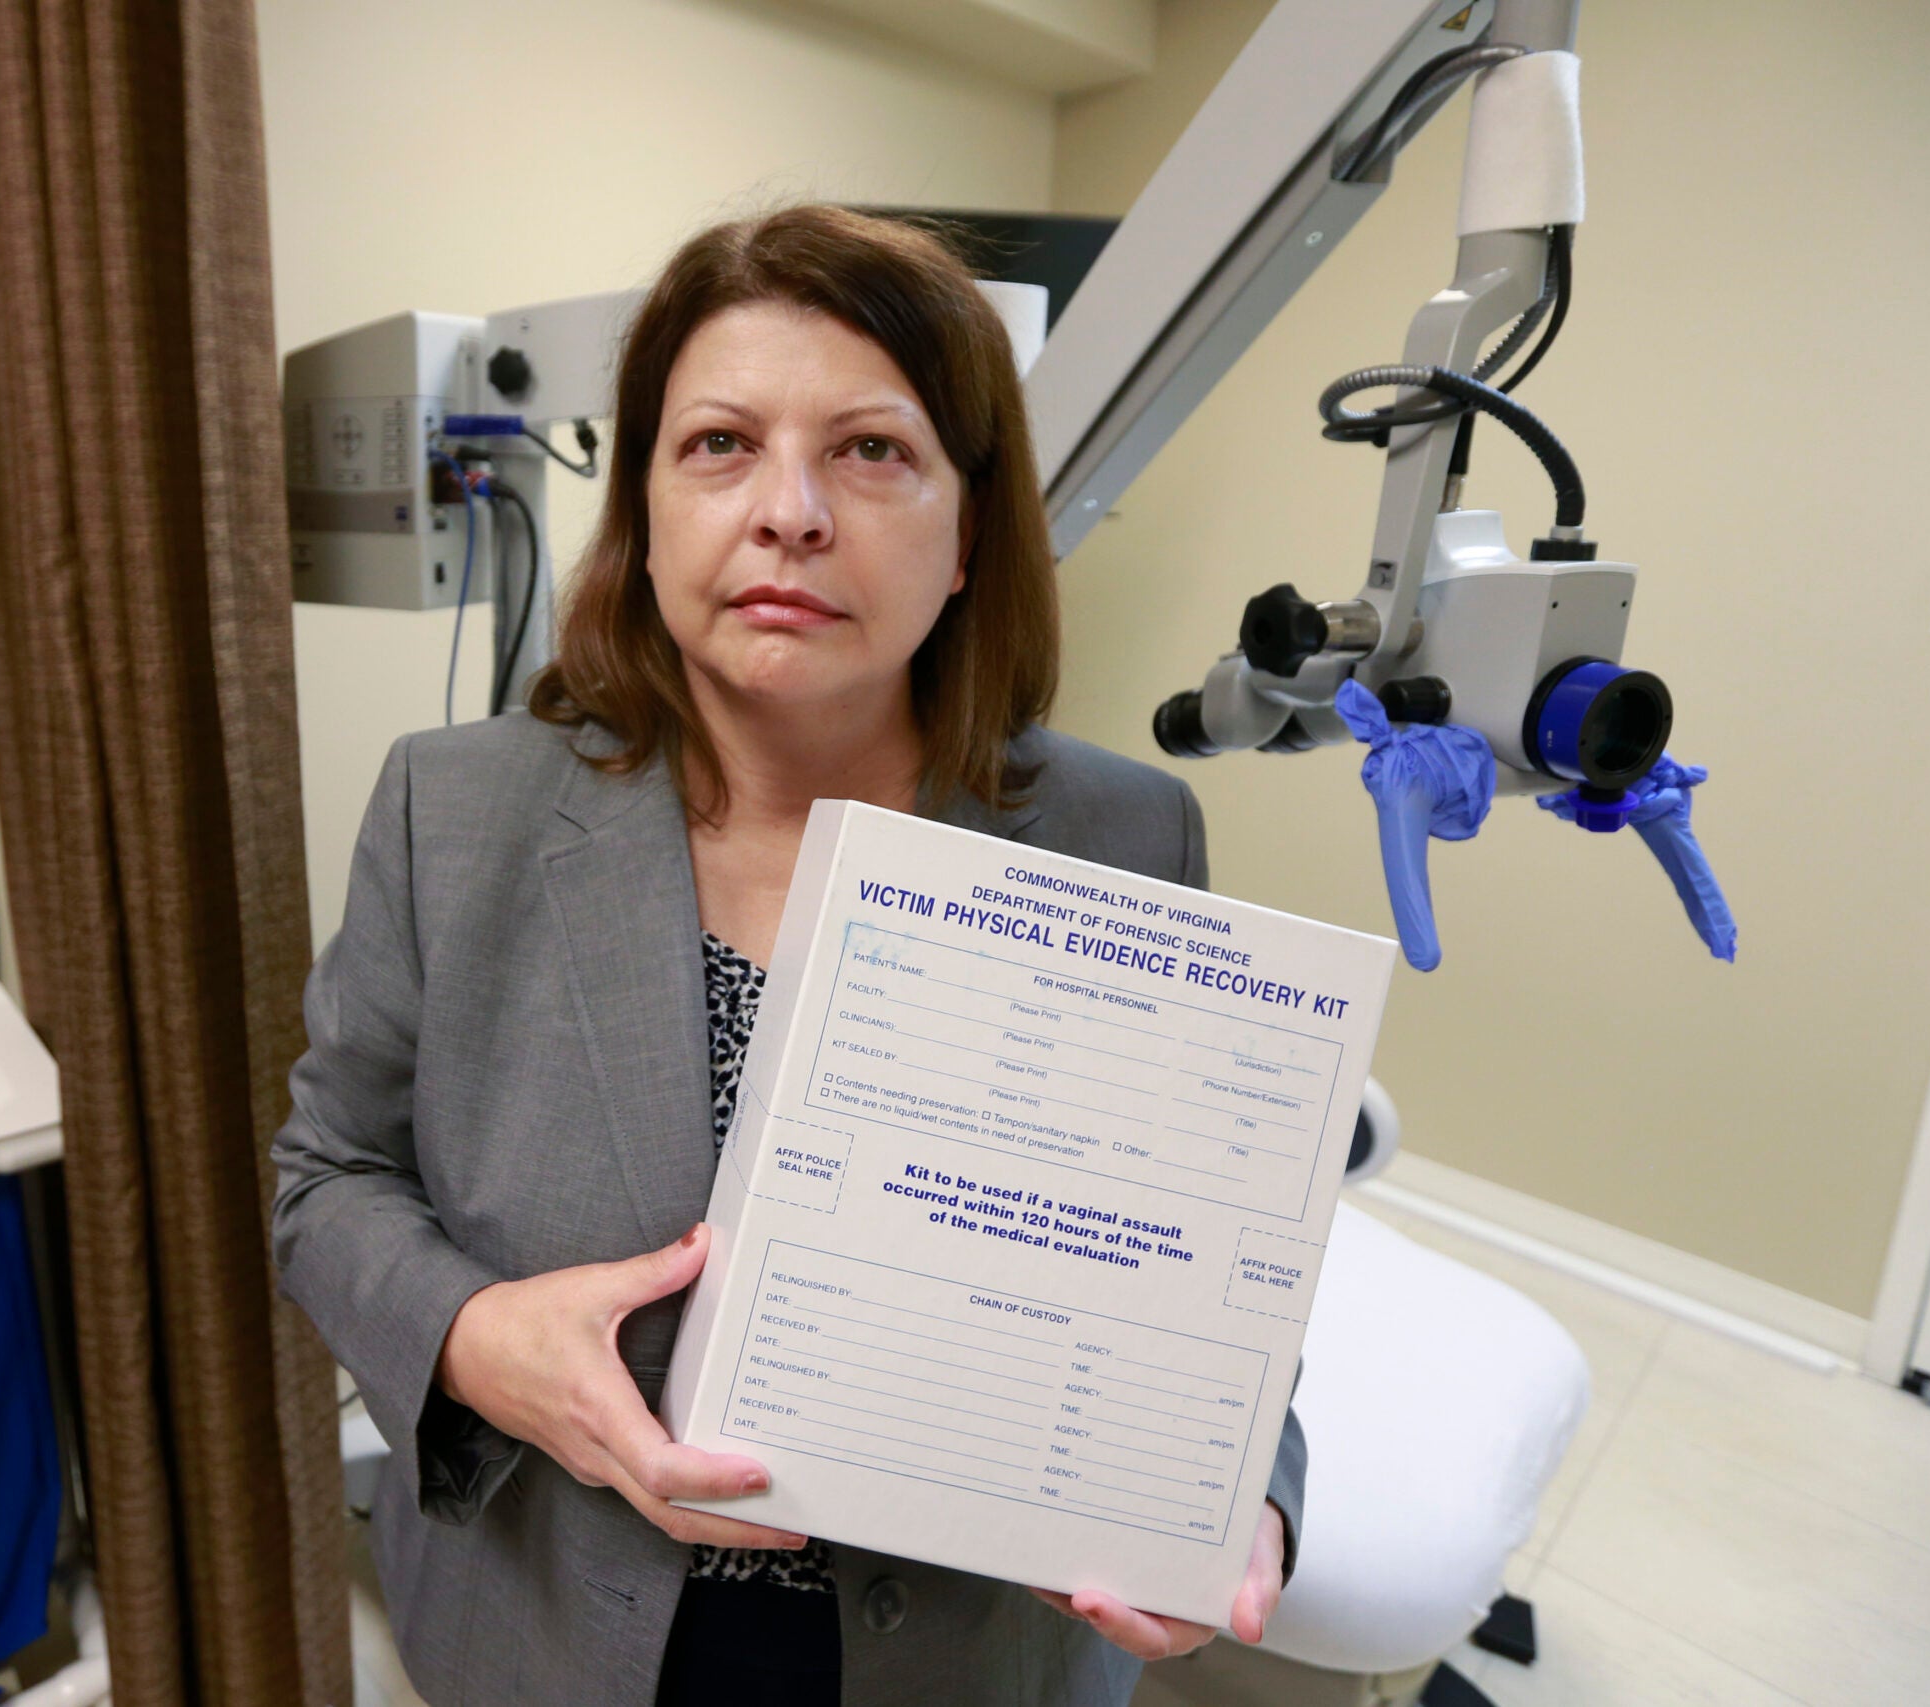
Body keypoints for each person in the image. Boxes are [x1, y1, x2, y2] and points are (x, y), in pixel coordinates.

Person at [271, 205, 1303, 1707]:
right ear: (644, 507)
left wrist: (1239, 1495)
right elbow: (325, 1179)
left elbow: (1211, 1275)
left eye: (872, 450)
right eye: (720, 445)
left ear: (970, 532)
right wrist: (478, 1338)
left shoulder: (1124, 836)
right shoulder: (455, 813)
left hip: (958, 1658)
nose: (791, 512)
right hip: (553, 1629)